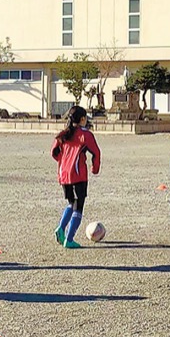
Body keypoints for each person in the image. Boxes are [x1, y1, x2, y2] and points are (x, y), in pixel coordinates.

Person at [51, 105, 101, 248]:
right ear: (83, 119)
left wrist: (63, 162)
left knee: (71, 203)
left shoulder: (62, 134)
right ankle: (69, 239)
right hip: (78, 176)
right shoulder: (85, 135)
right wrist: (95, 168)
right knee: (78, 207)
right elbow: (96, 153)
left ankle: (61, 228)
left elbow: (53, 152)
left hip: (64, 175)